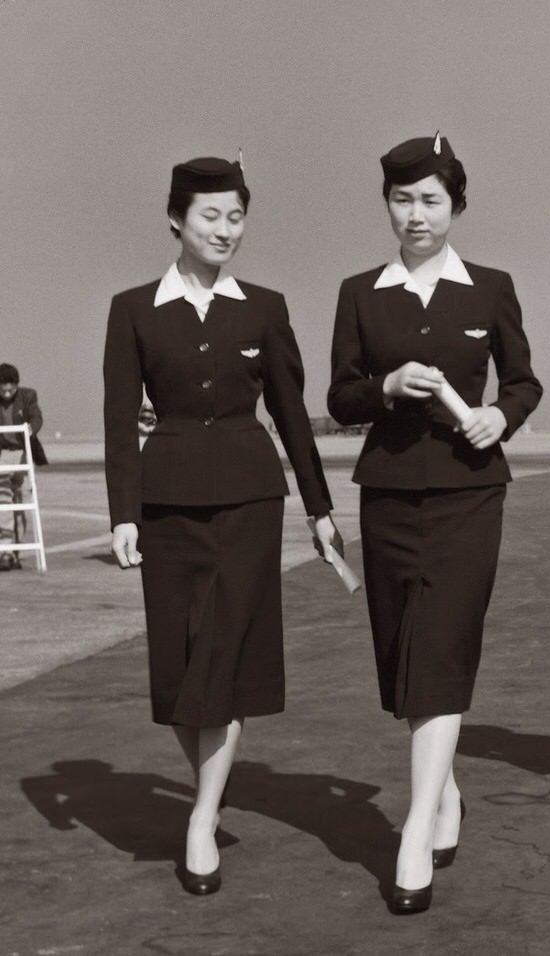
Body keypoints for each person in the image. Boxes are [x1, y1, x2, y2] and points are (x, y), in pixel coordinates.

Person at [102, 156, 339, 895]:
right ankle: (212, 778)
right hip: (166, 504)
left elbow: (293, 415)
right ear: (176, 219)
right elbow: (118, 420)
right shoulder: (133, 309)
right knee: (179, 669)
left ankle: (201, 818)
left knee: (226, 660)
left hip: (249, 502)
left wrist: (320, 509)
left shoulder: (264, 307)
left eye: (236, 217)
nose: (225, 230)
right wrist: (122, 514)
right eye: (211, 216)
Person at [328, 134, 542, 914]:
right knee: (402, 650)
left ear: (456, 205)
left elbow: (524, 382)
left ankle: (415, 829)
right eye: (402, 199)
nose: (415, 215)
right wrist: (384, 385)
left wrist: (500, 416)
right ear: (386, 204)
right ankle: (446, 790)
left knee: (444, 644)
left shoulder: (491, 288)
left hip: (470, 493)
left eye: (430, 200)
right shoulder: (361, 293)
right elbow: (340, 397)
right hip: (387, 492)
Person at [0, 363, 43, 568]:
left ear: (16, 384)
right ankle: (5, 550)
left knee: (22, 502)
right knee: (4, 502)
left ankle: (15, 552)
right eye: (3, 387)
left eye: (10, 386)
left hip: (23, 454)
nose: (7, 390)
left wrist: (31, 428)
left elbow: (37, 417)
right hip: (3, 454)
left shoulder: (28, 396)